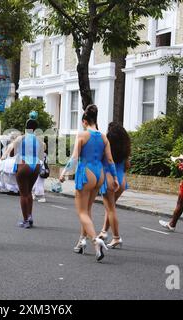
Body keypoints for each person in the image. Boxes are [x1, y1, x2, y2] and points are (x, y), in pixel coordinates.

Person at [59, 105, 119, 262]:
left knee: (81, 212)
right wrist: (115, 178)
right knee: (88, 210)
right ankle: (81, 241)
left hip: (86, 172)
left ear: (85, 121)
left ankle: (95, 240)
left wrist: (64, 173)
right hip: (99, 174)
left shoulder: (82, 135)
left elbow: (73, 159)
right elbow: (110, 160)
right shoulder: (104, 137)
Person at [2, 111, 44, 228]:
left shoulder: (21, 138)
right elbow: (41, 155)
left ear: (26, 127)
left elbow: (11, 154)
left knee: (23, 194)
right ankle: (30, 216)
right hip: (35, 166)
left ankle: (25, 220)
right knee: (29, 192)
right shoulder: (39, 140)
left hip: (24, 164)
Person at [99, 122, 131, 249]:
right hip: (122, 180)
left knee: (110, 209)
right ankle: (103, 231)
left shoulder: (106, 145)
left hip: (109, 179)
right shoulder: (125, 149)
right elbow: (127, 165)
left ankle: (116, 237)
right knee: (110, 208)